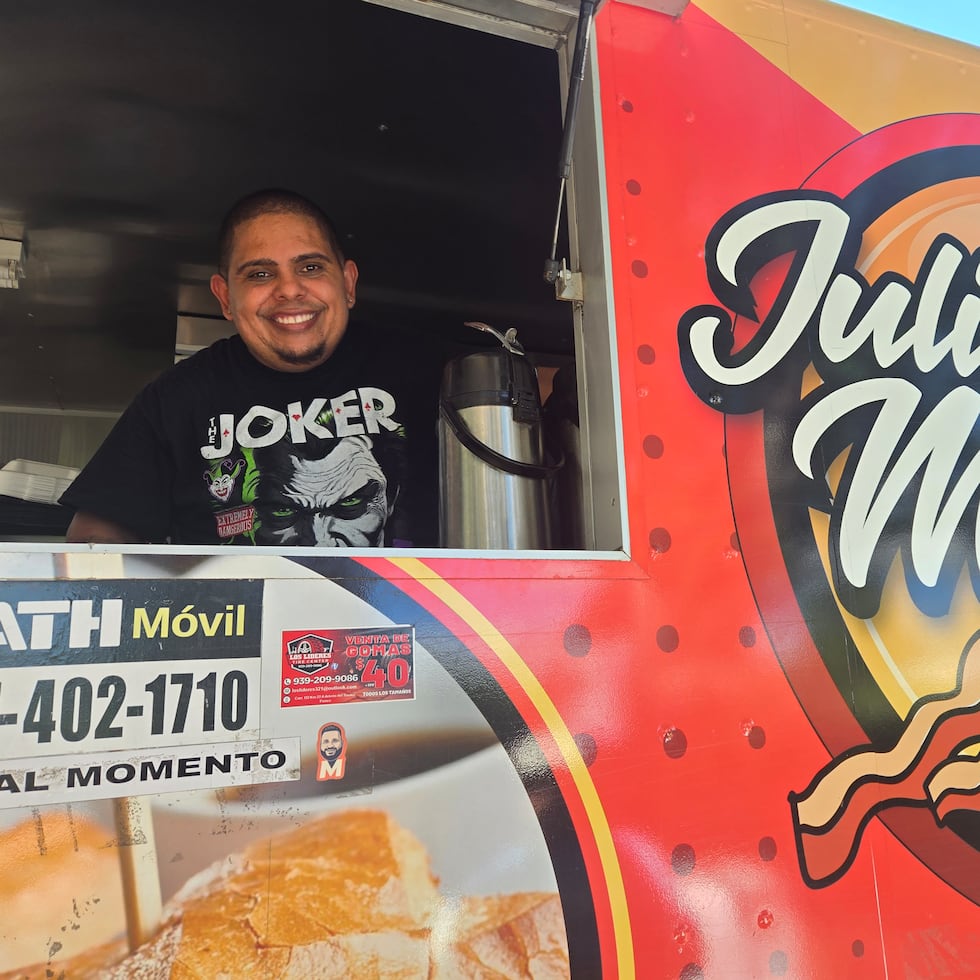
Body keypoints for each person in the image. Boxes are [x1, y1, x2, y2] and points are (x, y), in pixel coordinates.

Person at [61, 189, 442, 546]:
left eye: (310, 267)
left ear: (347, 283)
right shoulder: (178, 398)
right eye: (260, 274)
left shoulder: (430, 373)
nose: (289, 289)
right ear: (225, 297)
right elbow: (94, 541)